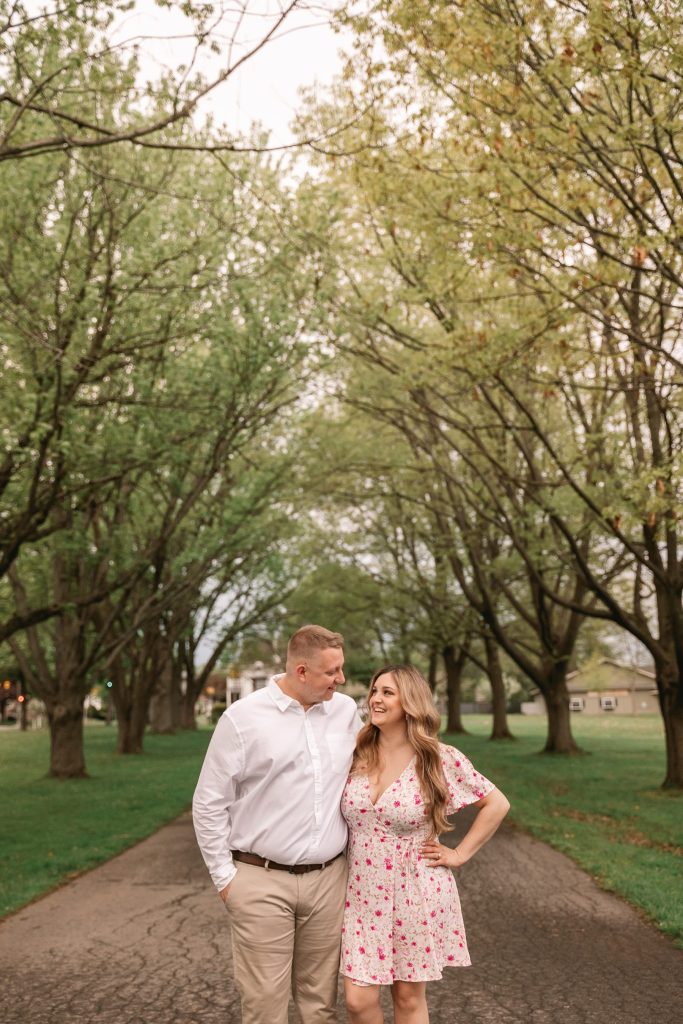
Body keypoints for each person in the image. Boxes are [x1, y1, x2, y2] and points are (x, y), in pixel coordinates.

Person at [192, 625, 363, 1024]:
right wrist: (225, 878)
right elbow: (208, 802)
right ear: (301, 671)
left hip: (329, 880)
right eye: (331, 672)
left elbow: (370, 775)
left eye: (341, 669)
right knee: (265, 1005)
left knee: (319, 1004)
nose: (340, 680)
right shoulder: (241, 719)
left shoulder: (344, 711)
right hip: (260, 880)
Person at [340, 665, 510, 1024]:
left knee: (407, 997)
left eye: (387, 692)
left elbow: (497, 804)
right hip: (359, 894)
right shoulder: (356, 752)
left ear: (411, 701)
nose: (375, 699)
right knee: (357, 1000)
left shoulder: (438, 757)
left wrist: (460, 853)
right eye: (374, 691)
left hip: (416, 889)